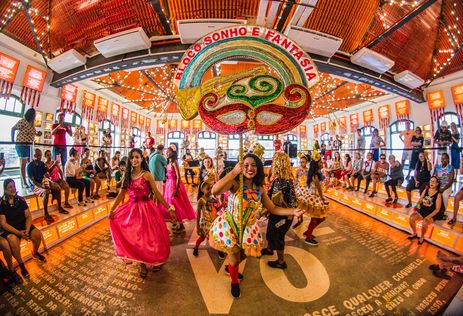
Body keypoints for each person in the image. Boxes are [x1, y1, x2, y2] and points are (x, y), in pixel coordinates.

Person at [208, 153, 303, 298]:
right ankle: (234, 281)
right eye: (246, 165)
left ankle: (231, 267)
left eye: (253, 165)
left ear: (258, 168)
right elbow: (215, 191)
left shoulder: (260, 188)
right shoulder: (235, 183)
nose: (250, 168)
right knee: (234, 257)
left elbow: (273, 208)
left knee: (244, 254)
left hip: (248, 228)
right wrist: (234, 172)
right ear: (241, 166)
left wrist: (292, 211)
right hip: (230, 225)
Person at [108, 148, 176, 278]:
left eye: (137, 157)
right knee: (137, 237)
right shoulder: (127, 176)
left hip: (147, 209)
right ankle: (142, 264)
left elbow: (157, 193)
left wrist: (168, 209)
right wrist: (112, 210)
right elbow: (121, 194)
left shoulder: (147, 175)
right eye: (132, 157)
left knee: (151, 236)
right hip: (132, 209)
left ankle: (154, 258)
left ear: (141, 158)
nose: (135, 160)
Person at [0, 179, 47, 280]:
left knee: (37, 234)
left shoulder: (20, 200)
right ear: (5, 190)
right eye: (10, 187)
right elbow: (3, 223)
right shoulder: (2, 203)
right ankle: (21, 265)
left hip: (24, 226)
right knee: (12, 241)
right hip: (12, 229)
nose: (13, 189)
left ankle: (34, 252)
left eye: (14, 186)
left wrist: (27, 230)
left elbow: (28, 216)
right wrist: (19, 233)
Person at [260, 152, 297, 269]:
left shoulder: (287, 182)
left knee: (277, 236)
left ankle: (281, 262)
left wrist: (289, 213)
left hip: (283, 216)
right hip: (275, 213)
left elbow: (293, 202)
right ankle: (270, 249)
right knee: (270, 232)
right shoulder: (277, 180)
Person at [27, 149, 68, 222]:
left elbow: (48, 171)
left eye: (40, 155)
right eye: (38, 155)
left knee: (57, 187)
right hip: (35, 184)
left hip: (43, 181)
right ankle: (46, 213)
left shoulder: (41, 164)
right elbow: (32, 181)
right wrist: (43, 186)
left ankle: (59, 207)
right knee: (46, 192)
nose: (39, 157)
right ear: (34, 156)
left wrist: (54, 164)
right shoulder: (29, 166)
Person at [162, 147, 196, 230]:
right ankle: (175, 221)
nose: (166, 153)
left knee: (177, 204)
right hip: (168, 184)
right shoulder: (168, 163)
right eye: (166, 152)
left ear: (172, 153)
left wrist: (176, 189)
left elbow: (178, 177)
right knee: (170, 204)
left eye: (168, 152)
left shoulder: (174, 162)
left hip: (174, 184)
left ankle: (181, 224)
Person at [303, 150, 329, 245]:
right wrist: (323, 199)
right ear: (316, 164)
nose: (322, 163)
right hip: (315, 198)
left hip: (316, 197)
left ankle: (308, 232)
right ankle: (308, 237)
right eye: (321, 162)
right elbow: (319, 190)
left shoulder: (317, 173)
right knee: (316, 218)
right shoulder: (315, 175)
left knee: (321, 218)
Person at [11, 108, 42, 188]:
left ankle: (30, 180)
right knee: (23, 163)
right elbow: (13, 129)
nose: (35, 116)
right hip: (22, 144)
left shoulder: (32, 123)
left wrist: (38, 134)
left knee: (30, 163)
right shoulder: (22, 121)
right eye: (34, 115)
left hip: (29, 145)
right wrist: (12, 140)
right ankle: (24, 182)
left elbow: (33, 133)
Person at [408, 176, 444, 245]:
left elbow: (437, 209)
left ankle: (422, 237)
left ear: (437, 184)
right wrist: (416, 209)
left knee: (424, 222)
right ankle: (414, 233)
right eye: (431, 181)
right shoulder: (425, 190)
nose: (432, 183)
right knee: (411, 218)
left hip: (431, 213)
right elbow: (420, 201)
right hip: (422, 211)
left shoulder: (438, 194)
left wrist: (429, 216)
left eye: (434, 182)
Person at [193, 182, 222, 257]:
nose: (210, 190)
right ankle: (196, 248)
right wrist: (198, 228)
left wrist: (222, 204)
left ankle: (218, 250)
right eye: (207, 189)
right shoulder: (201, 201)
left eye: (211, 188)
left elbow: (216, 210)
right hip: (205, 223)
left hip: (214, 222)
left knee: (216, 237)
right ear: (202, 190)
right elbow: (198, 215)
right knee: (202, 237)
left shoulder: (212, 199)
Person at [293, 153, 310, 228]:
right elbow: (296, 179)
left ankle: (300, 218)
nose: (301, 163)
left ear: (306, 162)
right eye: (300, 162)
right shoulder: (298, 170)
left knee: (303, 205)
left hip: (306, 189)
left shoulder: (308, 170)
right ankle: (299, 219)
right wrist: (294, 187)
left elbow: (310, 181)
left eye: (303, 162)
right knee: (298, 204)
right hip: (299, 188)